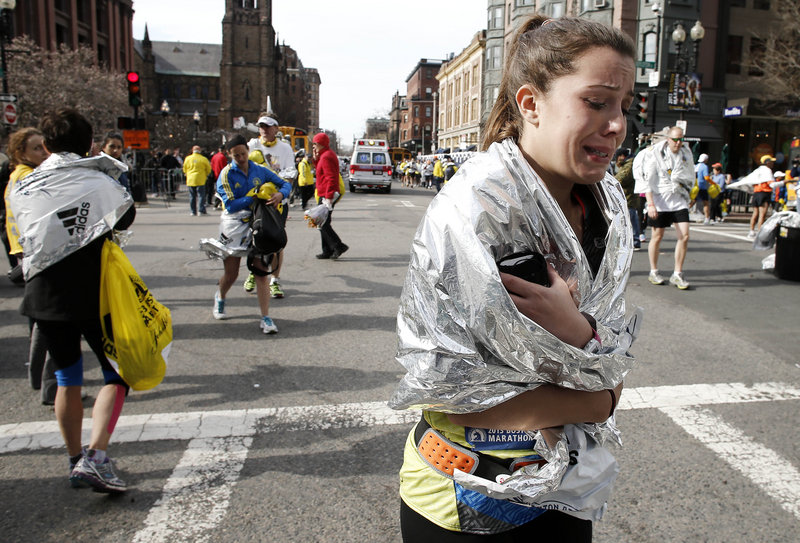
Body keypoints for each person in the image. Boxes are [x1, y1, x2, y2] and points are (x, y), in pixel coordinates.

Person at [390, 16, 637, 541]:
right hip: (462, 497)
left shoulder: (608, 204)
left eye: (623, 107)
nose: (616, 124)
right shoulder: (474, 209)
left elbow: (610, 343)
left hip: (565, 491)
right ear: (531, 104)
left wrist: (576, 334)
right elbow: (450, 390)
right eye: (596, 102)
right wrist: (598, 393)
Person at [8, 108, 135, 492]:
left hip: (44, 291)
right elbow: (125, 217)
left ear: (45, 145)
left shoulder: (23, 184)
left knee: (67, 379)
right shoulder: (96, 178)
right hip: (93, 290)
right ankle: (95, 457)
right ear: (89, 143)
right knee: (117, 374)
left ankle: (74, 458)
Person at [213, 134, 290, 333]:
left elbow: (285, 184)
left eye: (243, 153)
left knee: (261, 273)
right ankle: (220, 296)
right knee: (232, 274)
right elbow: (230, 205)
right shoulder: (226, 174)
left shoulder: (260, 170)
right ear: (229, 155)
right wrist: (253, 196)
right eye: (236, 155)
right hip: (234, 225)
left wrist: (280, 194)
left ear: (248, 151)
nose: (241, 158)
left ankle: (266, 317)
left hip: (258, 223)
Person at [3, 127, 58, 403]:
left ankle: (41, 378)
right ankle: (50, 385)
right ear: (20, 152)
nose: (44, 152)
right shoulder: (29, 177)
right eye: (37, 148)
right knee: (51, 321)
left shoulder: (17, 176)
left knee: (41, 321)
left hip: (26, 253)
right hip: (37, 255)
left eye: (44, 146)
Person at [245, 114, 296, 298]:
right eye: (261, 126)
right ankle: (253, 272)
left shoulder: (284, 148)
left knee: (276, 242)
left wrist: (280, 194)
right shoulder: (252, 146)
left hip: (277, 201)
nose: (264, 130)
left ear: (276, 128)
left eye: (268, 126)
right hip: (255, 201)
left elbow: (290, 173)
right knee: (254, 238)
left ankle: (275, 280)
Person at [643, 126, 694, 290]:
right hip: (660, 200)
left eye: (681, 139)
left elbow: (690, 175)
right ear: (668, 139)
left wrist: (690, 194)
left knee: (684, 236)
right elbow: (648, 181)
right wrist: (650, 204)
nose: (678, 143)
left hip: (679, 200)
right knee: (657, 237)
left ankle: (677, 273)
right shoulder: (656, 155)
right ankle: (654, 270)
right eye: (675, 139)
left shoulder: (686, 155)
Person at [312, 132, 348, 260]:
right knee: (323, 222)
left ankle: (338, 246)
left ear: (321, 144)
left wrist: (328, 197)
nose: (314, 147)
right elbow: (321, 172)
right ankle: (327, 250)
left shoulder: (326, 156)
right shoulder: (324, 155)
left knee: (321, 222)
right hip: (325, 193)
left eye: (315, 144)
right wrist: (316, 160)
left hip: (327, 194)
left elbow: (331, 178)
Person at [615, 148, 641, 250]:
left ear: (622, 156)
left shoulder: (629, 165)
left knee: (630, 220)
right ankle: (634, 241)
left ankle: (634, 241)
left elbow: (620, 179)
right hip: (629, 197)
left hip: (629, 197)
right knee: (630, 219)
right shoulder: (629, 164)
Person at [747, 155, 776, 239]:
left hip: (756, 193)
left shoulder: (757, 170)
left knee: (755, 213)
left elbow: (751, 182)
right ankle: (760, 233)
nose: (773, 163)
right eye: (771, 161)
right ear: (767, 162)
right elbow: (771, 184)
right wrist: (783, 183)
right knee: (762, 215)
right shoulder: (768, 171)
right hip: (764, 193)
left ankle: (751, 231)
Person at [183, 145, 212, 216]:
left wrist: (187, 173)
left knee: (192, 196)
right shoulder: (203, 159)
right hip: (200, 179)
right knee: (201, 195)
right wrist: (206, 174)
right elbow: (209, 169)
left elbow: (184, 168)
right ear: (200, 151)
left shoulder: (188, 158)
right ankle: (201, 210)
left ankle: (193, 211)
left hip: (190, 179)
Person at [694, 153, 711, 224]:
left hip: (695, 186)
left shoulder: (696, 166)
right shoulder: (704, 167)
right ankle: (707, 219)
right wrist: (713, 183)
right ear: (705, 159)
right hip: (702, 187)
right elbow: (706, 177)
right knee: (706, 203)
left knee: (692, 202)